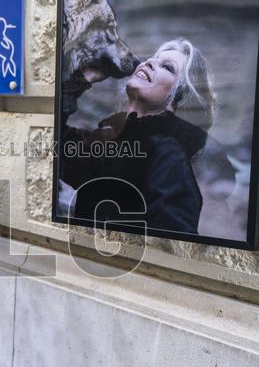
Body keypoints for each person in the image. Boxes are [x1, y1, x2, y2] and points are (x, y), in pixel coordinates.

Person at [60, 38, 217, 234]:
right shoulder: (110, 140)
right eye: (152, 58)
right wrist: (83, 78)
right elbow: (53, 146)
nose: (149, 62)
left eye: (167, 67)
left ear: (176, 103)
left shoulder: (168, 153)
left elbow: (176, 241)